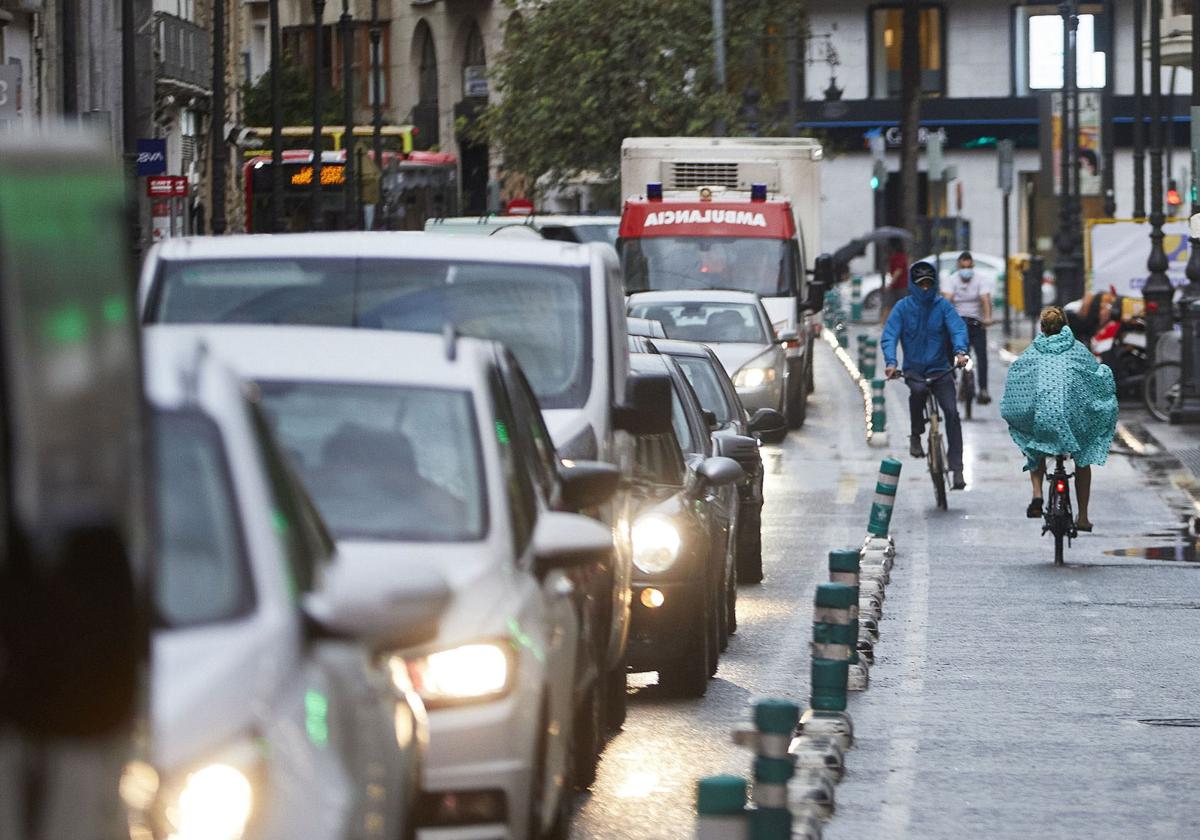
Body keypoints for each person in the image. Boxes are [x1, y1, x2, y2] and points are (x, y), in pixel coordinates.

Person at [1000, 306, 1118, 532]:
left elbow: (1017, 379)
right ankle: (1083, 517)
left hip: (1044, 421)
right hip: (1074, 424)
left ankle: (1037, 494)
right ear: (1066, 326)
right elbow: (1095, 378)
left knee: (1033, 445)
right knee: (1083, 458)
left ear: (1042, 328)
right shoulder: (1078, 350)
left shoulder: (1033, 352)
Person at [882, 261, 970, 490]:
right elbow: (890, 336)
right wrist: (891, 363)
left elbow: (957, 328)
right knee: (918, 391)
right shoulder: (902, 308)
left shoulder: (943, 307)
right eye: (920, 284)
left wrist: (960, 352)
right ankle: (915, 434)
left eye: (929, 284)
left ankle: (957, 467)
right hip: (914, 370)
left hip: (941, 369)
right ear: (913, 284)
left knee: (951, 412)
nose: (925, 289)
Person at [942, 251, 994, 404]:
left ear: (973, 266)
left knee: (982, 355)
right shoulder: (950, 280)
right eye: (963, 266)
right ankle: (950, 381)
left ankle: (983, 389)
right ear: (958, 266)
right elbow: (947, 301)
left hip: (976, 321)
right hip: (956, 322)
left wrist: (988, 318)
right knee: (947, 349)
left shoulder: (981, 279)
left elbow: (985, 300)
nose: (966, 269)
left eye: (969, 266)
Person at [880, 239, 908, 323]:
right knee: (891, 305)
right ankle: (884, 322)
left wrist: (891, 283)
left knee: (891, 305)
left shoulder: (899, 257)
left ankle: (883, 322)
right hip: (900, 285)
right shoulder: (898, 257)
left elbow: (898, 271)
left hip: (900, 285)